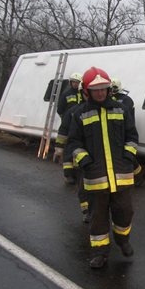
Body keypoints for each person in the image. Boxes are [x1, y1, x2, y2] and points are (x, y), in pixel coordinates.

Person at [67, 66, 139, 269]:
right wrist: (85, 161)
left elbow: (132, 137)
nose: (100, 92)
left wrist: (127, 156)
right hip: (95, 177)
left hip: (121, 175)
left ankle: (123, 240)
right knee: (97, 218)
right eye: (96, 89)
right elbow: (73, 143)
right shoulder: (79, 114)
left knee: (125, 212)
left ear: (108, 89)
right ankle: (100, 253)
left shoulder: (121, 109)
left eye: (103, 88)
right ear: (87, 91)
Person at [54, 87, 91, 223]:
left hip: (97, 158)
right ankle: (87, 211)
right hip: (79, 153)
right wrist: (59, 147)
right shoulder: (74, 111)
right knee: (83, 186)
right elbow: (64, 130)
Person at [111, 77, 144, 186]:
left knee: (129, 157)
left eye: (113, 88)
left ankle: (138, 177)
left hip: (124, 132)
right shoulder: (113, 99)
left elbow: (124, 116)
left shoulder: (126, 100)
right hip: (116, 132)